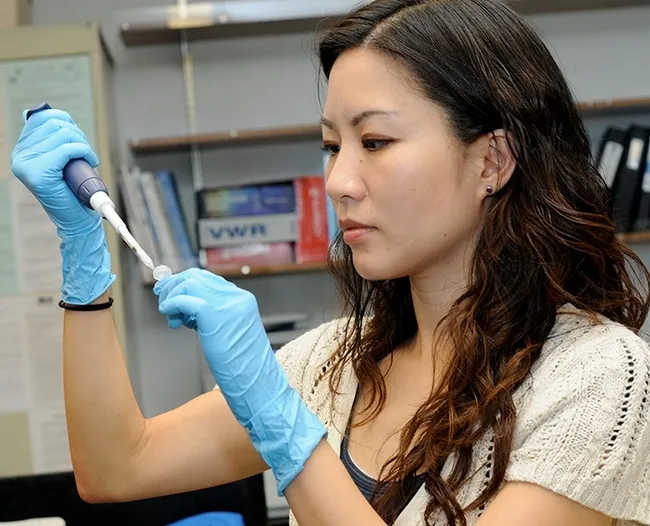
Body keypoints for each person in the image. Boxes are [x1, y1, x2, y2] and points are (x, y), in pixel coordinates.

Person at [9, 0, 650, 525]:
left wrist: (282, 428)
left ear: (492, 160)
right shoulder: (337, 361)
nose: (338, 179)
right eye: (331, 144)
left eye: (375, 141)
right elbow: (117, 467)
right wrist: (83, 258)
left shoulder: (597, 379)